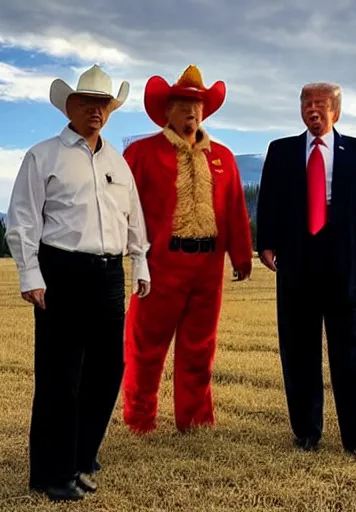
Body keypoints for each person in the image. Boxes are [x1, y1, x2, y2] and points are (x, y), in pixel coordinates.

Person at [5, 64, 151, 501]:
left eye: (102, 104)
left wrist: (139, 263)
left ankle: (82, 456)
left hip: (108, 274)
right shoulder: (42, 155)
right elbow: (23, 220)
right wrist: (30, 273)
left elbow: (133, 218)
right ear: (69, 107)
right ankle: (52, 474)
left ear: (110, 110)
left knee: (108, 371)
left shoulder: (117, 162)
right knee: (60, 377)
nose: (95, 111)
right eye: (87, 103)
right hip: (61, 271)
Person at [256, 82, 356, 455]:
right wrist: (264, 242)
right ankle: (306, 432)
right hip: (296, 258)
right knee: (299, 350)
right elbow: (267, 200)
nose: (313, 110)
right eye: (307, 104)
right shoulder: (281, 151)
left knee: (351, 351)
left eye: (321, 104)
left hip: (346, 258)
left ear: (336, 111)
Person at [122, 65, 253, 433]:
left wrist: (241, 256)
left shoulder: (224, 158)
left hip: (208, 267)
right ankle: (140, 420)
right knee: (145, 349)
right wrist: (131, 254)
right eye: (182, 106)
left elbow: (235, 209)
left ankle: (195, 420)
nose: (191, 113)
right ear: (167, 112)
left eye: (196, 106)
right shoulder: (143, 154)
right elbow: (123, 206)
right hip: (161, 265)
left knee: (200, 349)